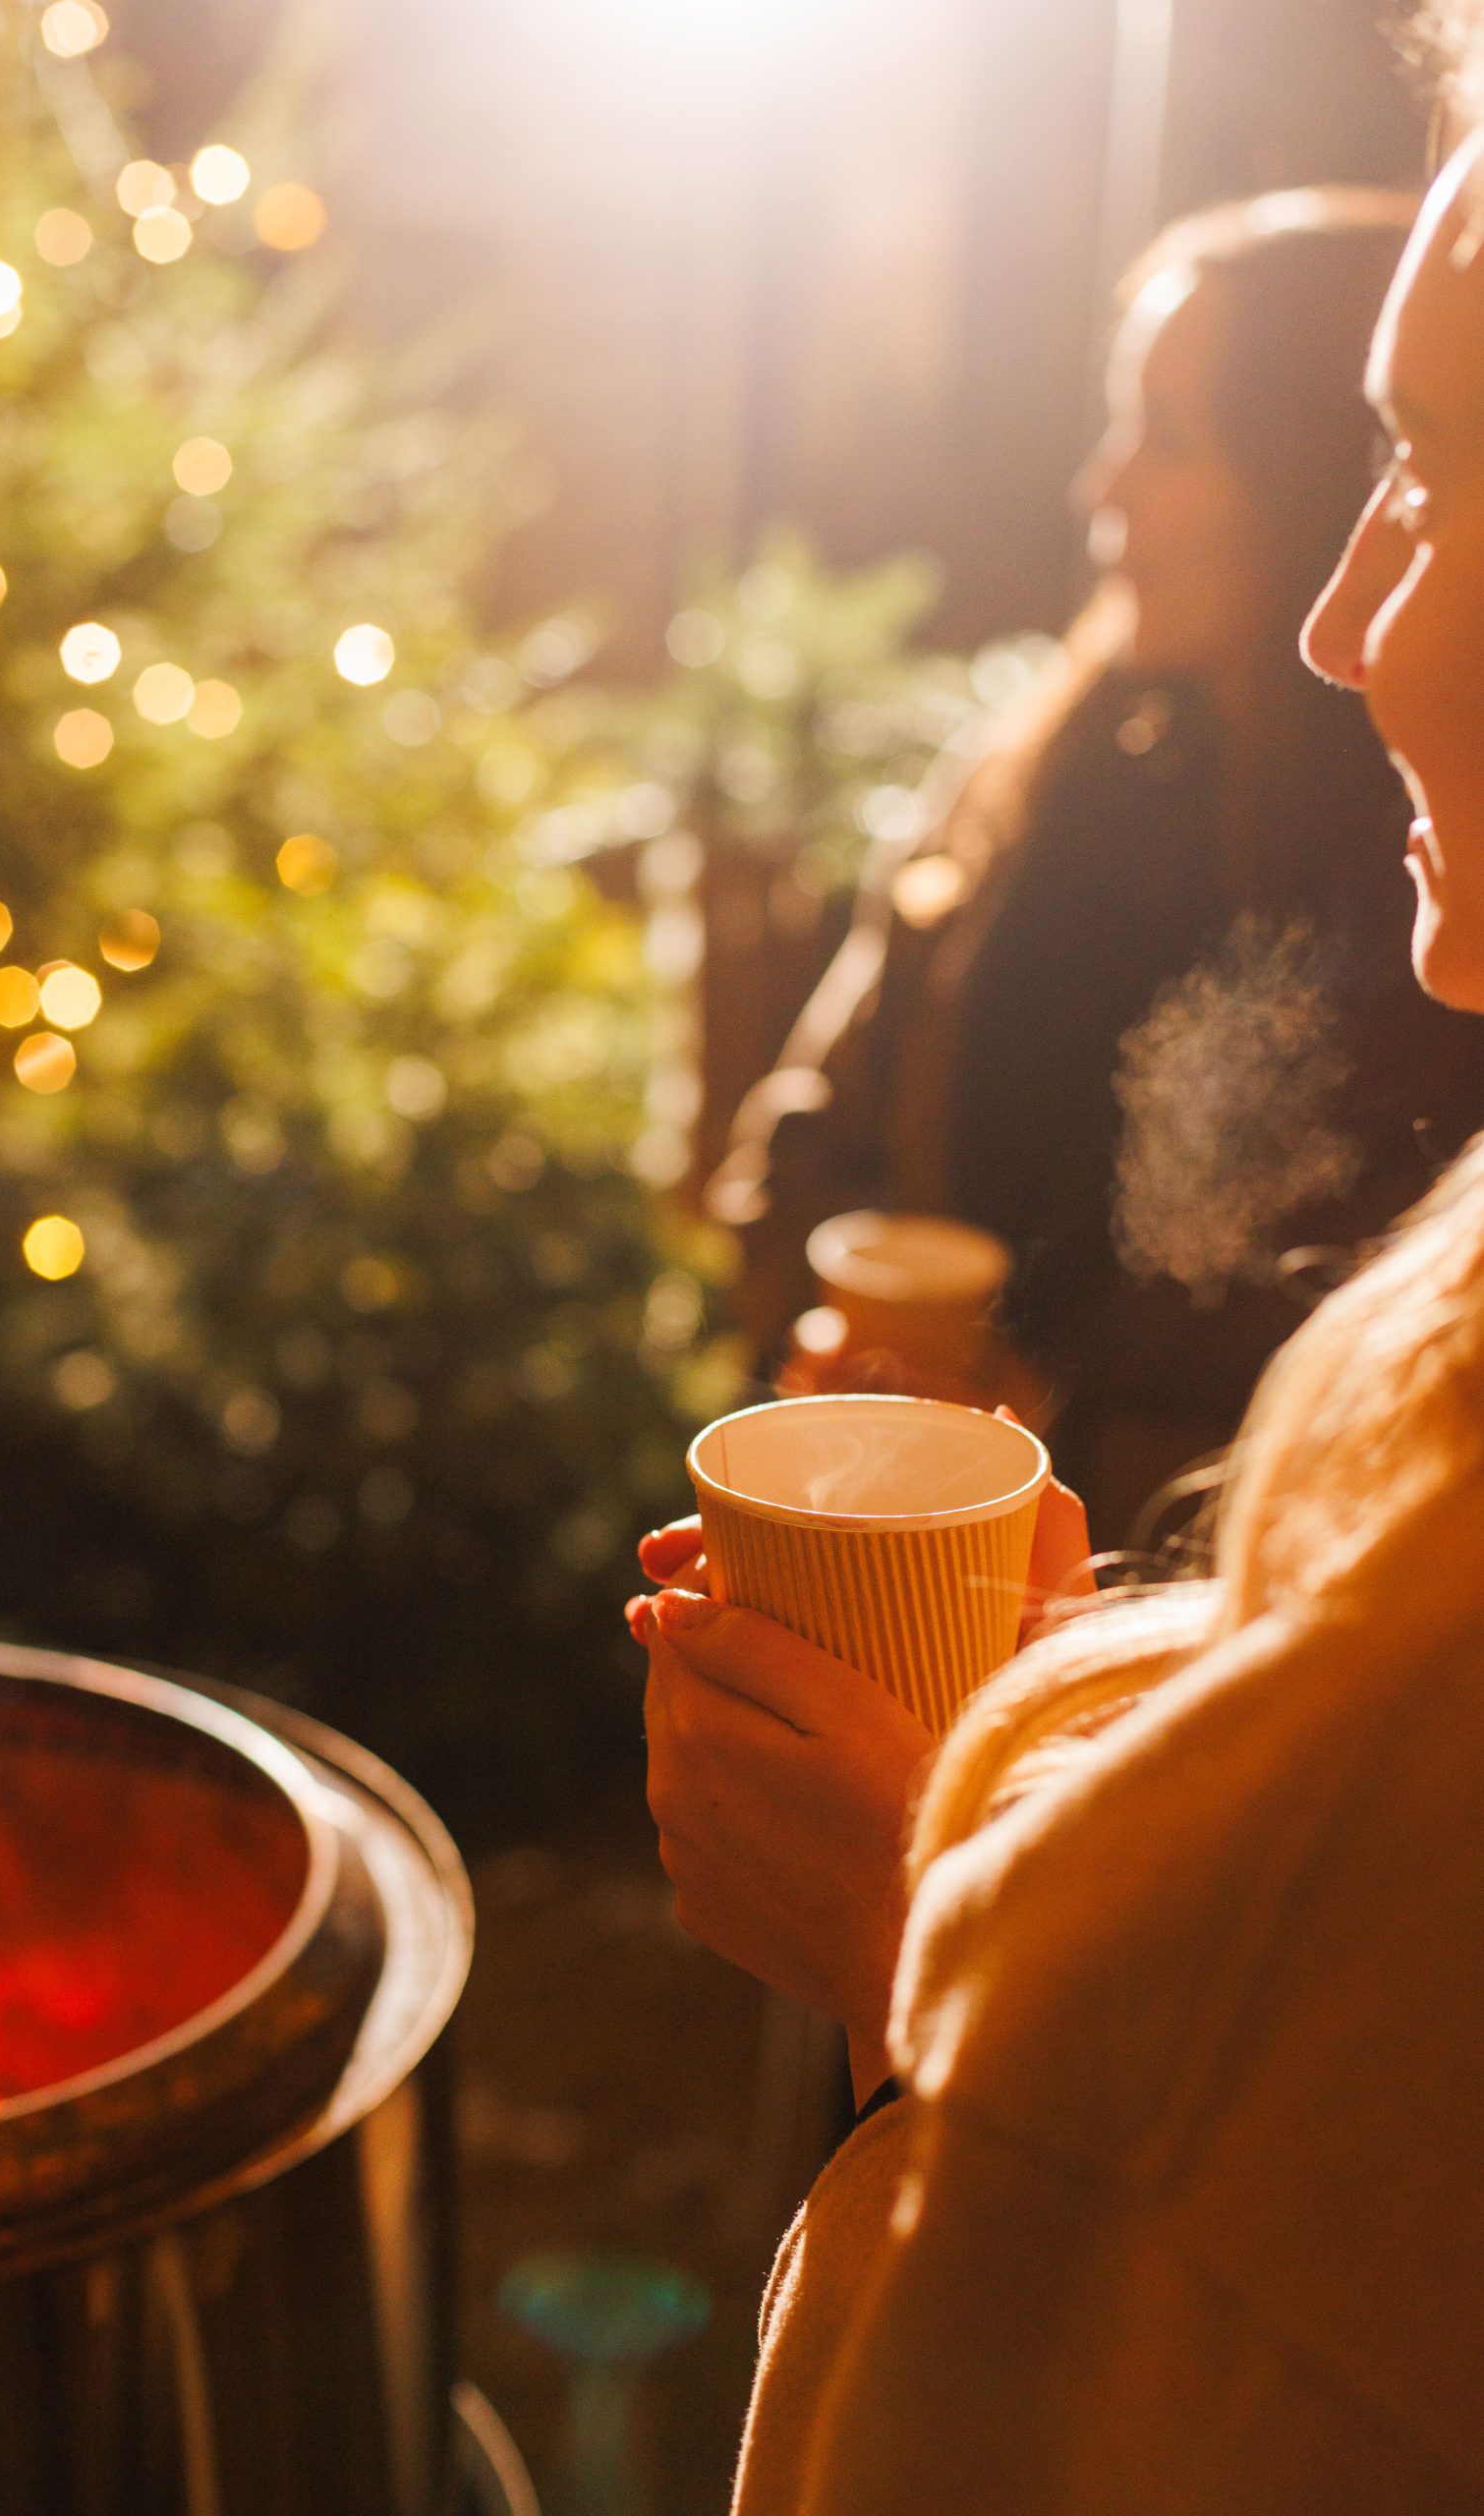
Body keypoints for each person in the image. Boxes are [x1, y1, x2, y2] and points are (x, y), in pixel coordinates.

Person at [633, 58, 1484, 2514]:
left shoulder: (1385, 940)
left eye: (1412, 477)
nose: (1342, 606)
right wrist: (1067, 1694)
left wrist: (947, 1899)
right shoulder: (1065, 752)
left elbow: (1268, 2284)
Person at [712, 190, 1484, 1542]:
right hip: (885, 1557)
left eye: (1169, 440)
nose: (1102, 486)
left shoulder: (1437, 915)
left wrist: (1050, 1447)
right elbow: (807, 1138)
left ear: (1312, 481)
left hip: (1155, 1663)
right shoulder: (1042, 775)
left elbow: (1384, 1454)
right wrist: (840, 1342)